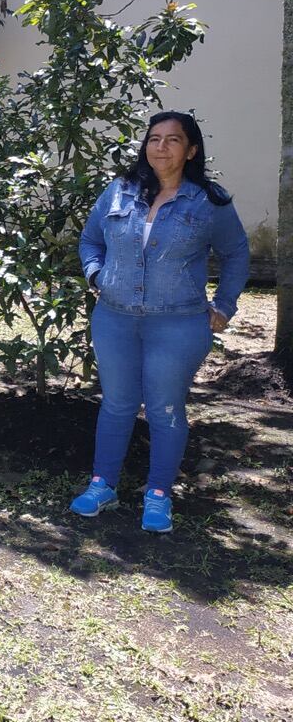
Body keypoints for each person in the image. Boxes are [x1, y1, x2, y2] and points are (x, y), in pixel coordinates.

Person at [71, 110, 249, 533]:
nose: (161, 147)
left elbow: (237, 253)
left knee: (166, 409)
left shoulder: (209, 201)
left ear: (191, 150)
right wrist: (96, 274)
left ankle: (158, 494)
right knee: (116, 403)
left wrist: (224, 305)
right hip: (114, 319)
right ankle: (103, 484)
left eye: (173, 140)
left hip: (177, 324)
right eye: (154, 138)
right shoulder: (119, 191)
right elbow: (90, 240)